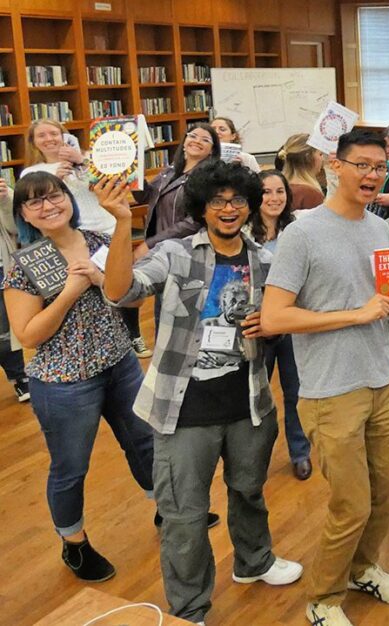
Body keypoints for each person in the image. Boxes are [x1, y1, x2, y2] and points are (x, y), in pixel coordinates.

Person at [98, 161, 302, 623]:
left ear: (250, 206)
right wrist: (122, 223)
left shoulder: (265, 261)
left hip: (249, 403)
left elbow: (282, 323)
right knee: (184, 516)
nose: (228, 209)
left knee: (249, 491)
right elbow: (120, 291)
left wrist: (271, 327)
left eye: (237, 200)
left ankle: (254, 562)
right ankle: (189, 610)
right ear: (202, 207)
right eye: (217, 201)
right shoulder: (175, 254)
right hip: (182, 409)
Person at [262, 130, 389, 626]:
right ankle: (323, 598)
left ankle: (362, 568)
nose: (372, 175)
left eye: (380, 167)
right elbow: (274, 317)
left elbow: (380, 302)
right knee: (351, 504)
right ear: (336, 166)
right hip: (331, 390)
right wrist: (356, 314)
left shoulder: (379, 229)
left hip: (381, 378)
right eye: (362, 165)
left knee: (388, 490)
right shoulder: (302, 233)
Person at [2, 172, 155, 582]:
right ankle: (75, 544)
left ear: (70, 199)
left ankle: (168, 508)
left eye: (54, 196)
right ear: (23, 215)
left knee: (145, 442)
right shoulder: (25, 266)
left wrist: (102, 278)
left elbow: (130, 297)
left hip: (120, 363)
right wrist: (71, 290)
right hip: (64, 381)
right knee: (70, 467)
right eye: (34, 202)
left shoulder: (100, 242)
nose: (47, 206)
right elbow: (28, 335)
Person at [22, 119, 151, 358]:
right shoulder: (32, 173)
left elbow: (115, 182)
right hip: (72, 239)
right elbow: (40, 207)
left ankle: (134, 335)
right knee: (85, 291)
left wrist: (81, 161)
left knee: (122, 283)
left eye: (54, 133)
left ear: (64, 135)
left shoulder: (91, 159)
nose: (49, 139)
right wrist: (57, 182)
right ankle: (96, 341)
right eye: (42, 135)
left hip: (107, 232)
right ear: (33, 143)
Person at [246, 170, 311, 480]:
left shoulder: (298, 229)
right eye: (266, 192)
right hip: (257, 325)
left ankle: (300, 452)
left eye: (280, 191)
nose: (274, 198)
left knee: (295, 390)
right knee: (257, 394)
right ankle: (255, 457)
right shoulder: (243, 232)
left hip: (293, 323)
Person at [136, 123, 221, 258]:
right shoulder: (171, 170)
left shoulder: (210, 177)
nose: (197, 141)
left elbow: (195, 221)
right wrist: (135, 173)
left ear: (212, 150)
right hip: (160, 247)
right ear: (185, 142)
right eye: (193, 136)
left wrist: (151, 244)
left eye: (205, 140)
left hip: (186, 250)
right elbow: (145, 196)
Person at [0, 175, 31, 401]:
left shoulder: (5, 191)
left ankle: (19, 376)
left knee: (5, 331)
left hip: (3, 268)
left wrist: (4, 200)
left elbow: (15, 228)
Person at [276, 133, 326, 212]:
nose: (322, 159)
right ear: (309, 158)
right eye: (320, 154)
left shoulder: (276, 189)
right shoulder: (311, 194)